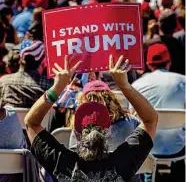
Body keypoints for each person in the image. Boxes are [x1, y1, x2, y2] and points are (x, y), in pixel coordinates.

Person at [25, 55, 158, 182]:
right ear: (108, 132)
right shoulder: (122, 164)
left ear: (77, 135)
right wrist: (124, 85)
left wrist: (57, 87)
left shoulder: (62, 164)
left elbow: (31, 123)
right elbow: (150, 120)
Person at [130, 43, 185, 182]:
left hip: (149, 150)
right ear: (169, 62)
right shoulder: (183, 81)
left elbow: (131, 118)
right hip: (178, 147)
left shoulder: (136, 86)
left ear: (148, 64)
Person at [0, 40, 53, 108]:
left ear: (20, 59)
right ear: (42, 61)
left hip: (9, 119)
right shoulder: (50, 86)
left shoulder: (4, 82)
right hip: (39, 119)